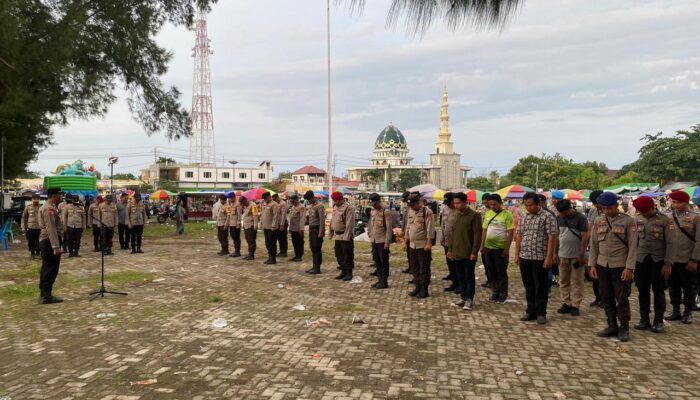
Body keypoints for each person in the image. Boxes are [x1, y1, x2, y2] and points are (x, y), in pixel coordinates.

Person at [588, 192, 637, 342]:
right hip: (603, 264)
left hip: (620, 265)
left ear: (616, 205)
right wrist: (592, 264)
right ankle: (611, 325)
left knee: (621, 297)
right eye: (604, 208)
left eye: (610, 207)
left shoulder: (629, 221)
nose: (607, 211)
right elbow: (594, 244)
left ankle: (624, 327)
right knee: (606, 296)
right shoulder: (598, 220)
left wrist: (629, 268)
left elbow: (633, 246)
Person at [515, 192, 558, 325]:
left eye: (531, 205)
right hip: (525, 257)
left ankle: (541, 313)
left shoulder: (547, 217)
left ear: (538, 203)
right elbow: (519, 236)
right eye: (526, 205)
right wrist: (517, 254)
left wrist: (549, 257)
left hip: (540, 257)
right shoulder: (524, 217)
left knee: (541, 287)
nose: (529, 208)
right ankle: (530, 311)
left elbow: (552, 237)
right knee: (529, 286)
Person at [632, 196, 671, 333]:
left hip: (658, 260)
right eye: (641, 211)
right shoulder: (637, 219)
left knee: (658, 291)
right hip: (641, 259)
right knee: (642, 290)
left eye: (645, 211)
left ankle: (658, 321)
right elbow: (634, 242)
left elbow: (670, 244)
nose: (643, 213)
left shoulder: (665, 220)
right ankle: (644, 319)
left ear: (652, 208)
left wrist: (668, 263)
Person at [664, 190, 700, 324]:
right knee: (673, 286)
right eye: (674, 202)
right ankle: (675, 310)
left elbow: (699, 240)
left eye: (679, 202)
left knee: (689, 286)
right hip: (672, 259)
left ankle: (688, 312)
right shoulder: (667, 217)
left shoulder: (696, 217)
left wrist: (694, 259)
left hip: (687, 259)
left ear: (686, 203)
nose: (676, 205)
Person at [554, 199, 589, 316]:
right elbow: (557, 236)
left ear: (570, 207)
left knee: (577, 281)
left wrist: (582, 254)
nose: (565, 214)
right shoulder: (559, 218)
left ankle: (575, 305)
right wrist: (555, 252)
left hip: (576, 256)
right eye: (562, 212)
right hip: (562, 255)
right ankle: (566, 302)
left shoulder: (581, 218)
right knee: (563, 280)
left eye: (566, 211)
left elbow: (585, 237)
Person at [448, 192, 482, 310]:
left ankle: (469, 299)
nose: (456, 205)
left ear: (465, 202)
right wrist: (450, 249)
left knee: (469, 277)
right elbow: (453, 234)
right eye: (455, 203)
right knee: (460, 276)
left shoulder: (474, 216)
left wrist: (474, 252)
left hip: (468, 253)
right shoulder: (457, 215)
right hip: (457, 252)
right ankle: (463, 297)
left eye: (458, 203)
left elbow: (478, 235)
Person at [480, 193, 515, 304]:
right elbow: (484, 230)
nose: (492, 207)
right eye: (490, 205)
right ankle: (495, 292)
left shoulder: (507, 215)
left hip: (500, 248)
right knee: (491, 271)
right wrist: (482, 245)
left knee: (501, 272)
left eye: (495, 204)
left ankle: (503, 293)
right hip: (488, 247)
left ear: (500, 203)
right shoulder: (488, 213)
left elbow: (511, 233)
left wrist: (506, 249)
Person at [404, 192, 435, 298]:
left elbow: (430, 228)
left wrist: (429, 242)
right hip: (412, 245)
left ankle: (424, 290)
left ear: (419, 202)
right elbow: (408, 227)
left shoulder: (427, 211)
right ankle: (417, 287)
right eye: (410, 205)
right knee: (414, 267)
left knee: (424, 268)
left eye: (413, 205)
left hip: (423, 245)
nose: (412, 207)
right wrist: (405, 241)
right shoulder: (411, 211)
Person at [38, 188, 65, 304]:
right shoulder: (49, 208)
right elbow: (51, 228)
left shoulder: (51, 207)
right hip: (49, 241)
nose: (61, 197)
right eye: (59, 195)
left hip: (48, 240)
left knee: (47, 268)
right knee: (51, 269)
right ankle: (46, 296)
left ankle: (44, 293)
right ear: (53, 195)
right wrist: (55, 246)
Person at [368, 193, 392, 289]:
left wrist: (387, 242)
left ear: (378, 201)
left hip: (382, 241)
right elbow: (371, 225)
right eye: (372, 204)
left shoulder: (385, 212)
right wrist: (370, 238)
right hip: (374, 240)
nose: (373, 205)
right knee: (377, 261)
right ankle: (379, 279)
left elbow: (389, 228)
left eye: (374, 203)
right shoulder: (373, 212)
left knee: (383, 262)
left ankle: (384, 281)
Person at [330, 192, 355, 280]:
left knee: (347, 255)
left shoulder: (348, 208)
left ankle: (349, 273)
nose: (334, 202)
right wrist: (331, 231)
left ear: (341, 199)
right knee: (339, 254)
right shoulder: (336, 207)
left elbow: (349, 224)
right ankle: (343, 271)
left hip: (345, 235)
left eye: (335, 200)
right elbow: (333, 220)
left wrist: (346, 237)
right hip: (337, 235)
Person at [587, 190, 604, 307]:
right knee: (594, 274)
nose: (596, 205)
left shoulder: (610, 211)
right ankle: (597, 297)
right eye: (594, 203)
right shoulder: (593, 211)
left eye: (597, 202)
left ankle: (605, 298)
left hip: (605, 248)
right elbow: (590, 228)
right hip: (594, 247)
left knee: (604, 276)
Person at [440, 193, 459, 292]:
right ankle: (454, 282)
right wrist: (442, 237)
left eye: (449, 202)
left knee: (457, 263)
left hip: (457, 242)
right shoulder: (445, 209)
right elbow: (443, 224)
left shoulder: (459, 211)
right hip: (447, 241)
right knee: (449, 262)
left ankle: (460, 284)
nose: (448, 205)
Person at [304, 190, 325, 274]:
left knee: (316, 248)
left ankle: (317, 268)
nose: (308, 201)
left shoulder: (319, 206)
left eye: (309, 200)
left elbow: (322, 220)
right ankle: (314, 266)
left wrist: (321, 232)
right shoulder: (312, 205)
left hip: (317, 229)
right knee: (313, 248)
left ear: (313, 197)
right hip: (312, 229)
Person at [21, 192, 42, 259]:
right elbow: (24, 218)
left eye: (37, 199)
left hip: (40, 227)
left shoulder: (42, 207)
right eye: (34, 199)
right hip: (31, 227)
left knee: (40, 241)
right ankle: (32, 253)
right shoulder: (28, 207)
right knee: (31, 241)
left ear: (39, 199)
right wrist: (23, 227)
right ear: (32, 199)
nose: (36, 200)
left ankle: (38, 252)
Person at [260, 191, 279, 265]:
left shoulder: (274, 204)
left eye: (265, 198)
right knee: (267, 243)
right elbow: (263, 214)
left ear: (269, 197)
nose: (264, 200)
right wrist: (261, 223)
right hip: (266, 226)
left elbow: (275, 216)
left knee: (272, 243)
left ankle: (273, 258)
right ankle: (270, 257)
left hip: (272, 227)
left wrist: (273, 225)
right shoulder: (265, 203)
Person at [288, 194, 305, 262]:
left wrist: (301, 229)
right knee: (294, 242)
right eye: (291, 201)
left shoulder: (301, 207)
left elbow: (302, 218)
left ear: (296, 200)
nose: (292, 203)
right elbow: (291, 218)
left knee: (299, 243)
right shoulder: (293, 207)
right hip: (293, 228)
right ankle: (296, 255)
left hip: (298, 229)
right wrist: (290, 228)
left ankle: (299, 256)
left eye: (293, 201)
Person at [240, 196, 258, 260]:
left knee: (251, 240)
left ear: (245, 200)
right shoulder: (245, 206)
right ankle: (249, 253)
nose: (242, 205)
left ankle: (251, 255)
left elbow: (255, 215)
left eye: (243, 203)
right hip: (246, 226)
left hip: (251, 226)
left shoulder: (253, 205)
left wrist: (255, 225)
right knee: (248, 240)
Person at [273, 193, 289, 258]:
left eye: (274, 199)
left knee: (283, 238)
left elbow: (283, 215)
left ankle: (284, 252)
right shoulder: (277, 204)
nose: (274, 200)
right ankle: (282, 251)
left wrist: (282, 225)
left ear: (277, 197)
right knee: (279, 238)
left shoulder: (283, 204)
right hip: (278, 223)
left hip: (282, 223)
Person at [227, 193, 243, 258]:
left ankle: (237, 251)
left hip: (236, 224)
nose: (229, 200)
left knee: (236, 238)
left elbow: (239, 215)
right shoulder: (231, 204)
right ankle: (236, 251)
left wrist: (238, 223)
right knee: (233, 237)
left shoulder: (238, 204)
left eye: (230, 198)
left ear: (234, 197)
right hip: (231, 224)